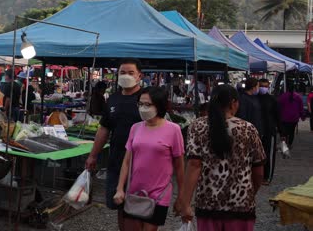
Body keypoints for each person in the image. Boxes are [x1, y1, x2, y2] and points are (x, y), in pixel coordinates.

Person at [180, 84, 265, 231]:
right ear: (234, 103)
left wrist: (185, 203)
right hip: (241, 206)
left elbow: (193, 165)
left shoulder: (197, 126)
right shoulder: (248, 129)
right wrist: (249, 193)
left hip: (207, 204)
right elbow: (259, 171)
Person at [113, 86, 184, 231]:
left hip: (159, 195)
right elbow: (126, 162)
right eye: (140, 104)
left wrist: (182, 197)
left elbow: (179, 165)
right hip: (134, 192)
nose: (143, 108)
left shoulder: (173, 130)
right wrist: (120, 188)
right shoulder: (135, 128)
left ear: (159, 105)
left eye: (148, 104)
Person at [85, 58, 143, 231]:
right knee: (119, 202)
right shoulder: (113, 99)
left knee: (141, 205)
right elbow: (104, 129)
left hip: (141, 161)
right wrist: (93, 155)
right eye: (122, 72)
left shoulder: (146, 98)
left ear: (139, 76)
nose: (126, 76)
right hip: (117, 159)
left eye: (131, 73)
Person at [258, 79, 282, 184]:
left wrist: (282, 133)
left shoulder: (272, 100)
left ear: (268, 87)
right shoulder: (254, 98)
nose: (263, 88)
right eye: (262, 86)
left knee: (269, 154)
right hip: (258, 130)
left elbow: (278, 117)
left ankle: (267, 177)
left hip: (269, 131)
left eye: (265, 86)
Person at [278, 84, 303, 149]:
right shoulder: (298, 97)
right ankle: (289, 144)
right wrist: (302, 116)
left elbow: (279, 106)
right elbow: (301, 108)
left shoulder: (283, 96)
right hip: (294, 118)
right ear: (294, 89)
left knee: (284, 132)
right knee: (291, 132)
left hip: (284, 118)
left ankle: (284, 144)